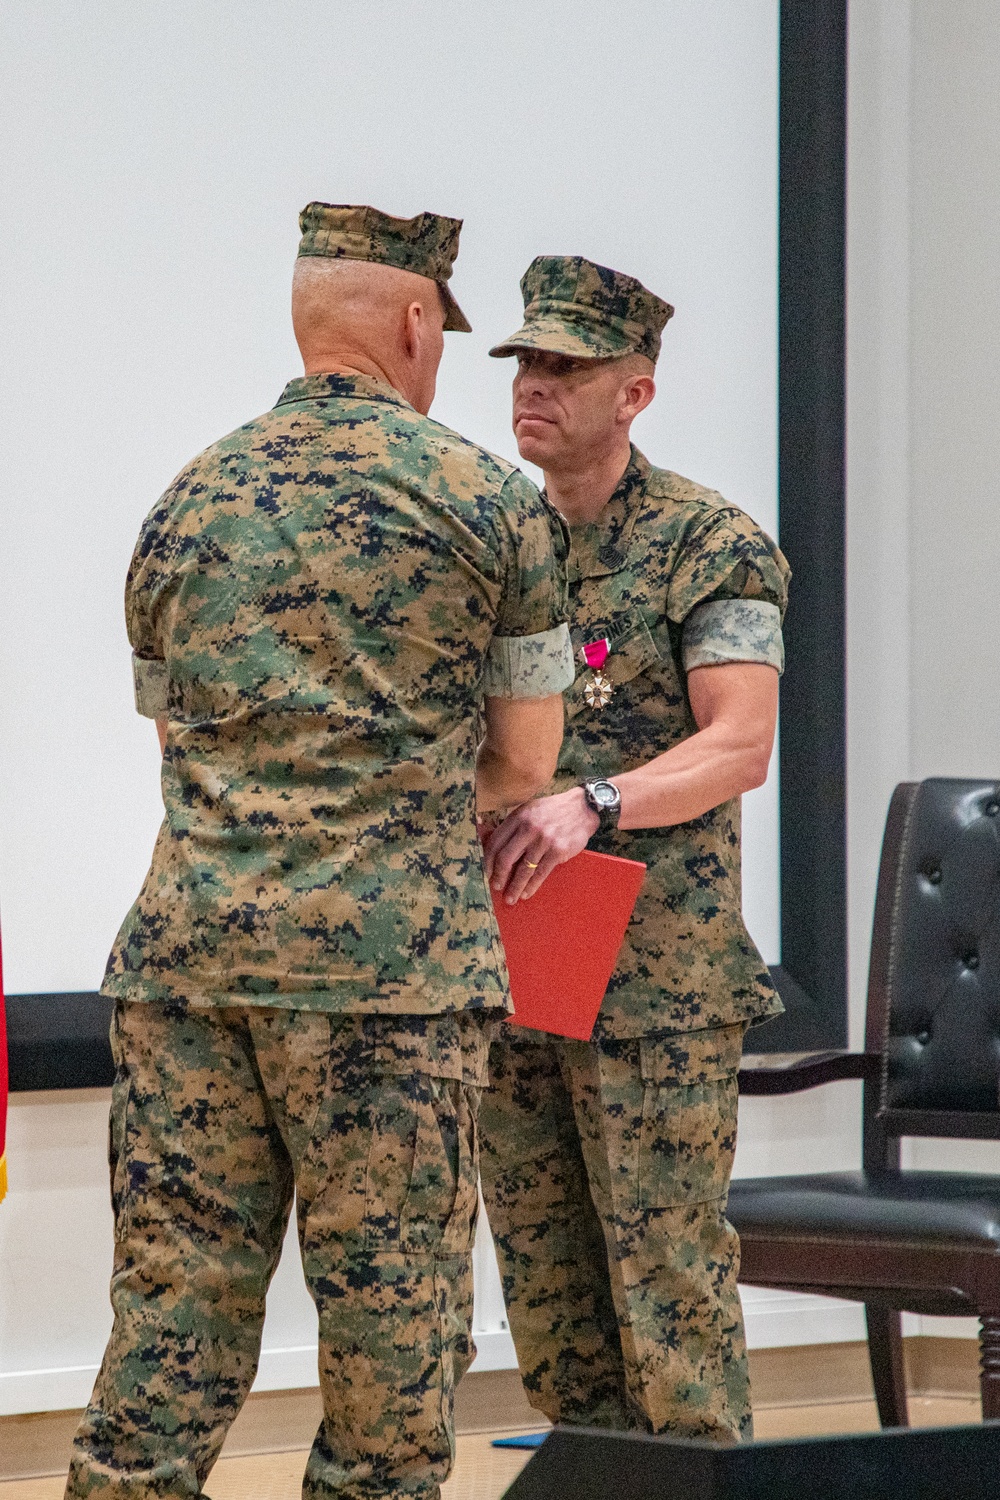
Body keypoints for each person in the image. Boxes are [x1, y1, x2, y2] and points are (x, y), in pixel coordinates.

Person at [66, 205, 574, 1500]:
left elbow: (177, 725)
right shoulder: (487, 504)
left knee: (163, 1353)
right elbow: (525, 762)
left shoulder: (185, 500)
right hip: (387, 988)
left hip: (187, 971)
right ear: (417, 323)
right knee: (389, 1382)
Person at [478, 255, 790, 1444]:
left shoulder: (708, 542)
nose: (534, 387)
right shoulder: (495, 539)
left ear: (635, 394)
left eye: (567, 366)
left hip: (653, 978)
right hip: (517, 967)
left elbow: (739, 745)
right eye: (524, 363)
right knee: (550, 1290)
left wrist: (590, 801)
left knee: (665, 1282)